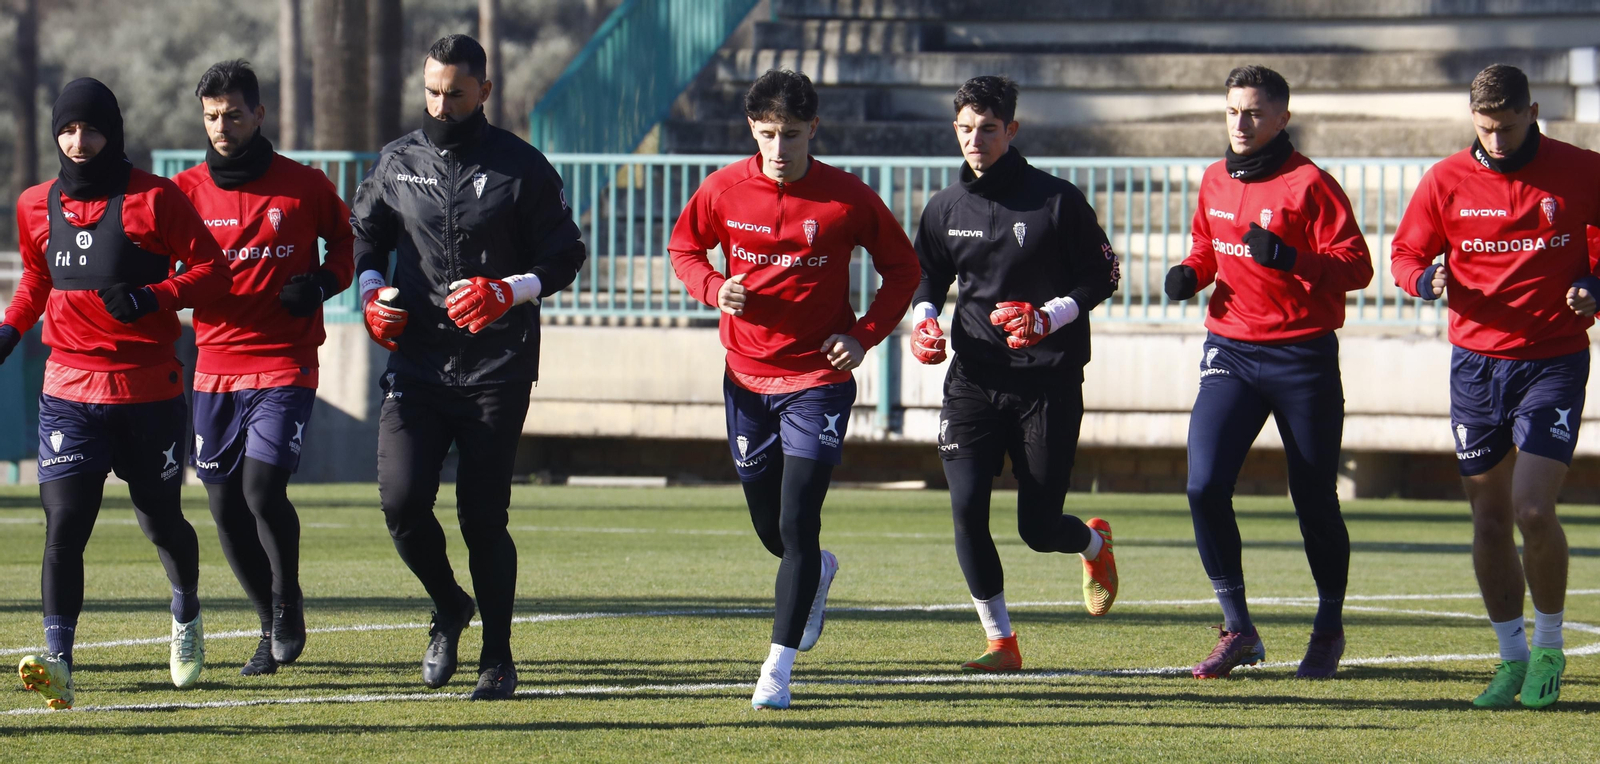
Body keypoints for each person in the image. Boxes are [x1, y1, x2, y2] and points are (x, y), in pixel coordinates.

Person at [669, 69, 919, 710]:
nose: (780, 149)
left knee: (798, 519)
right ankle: (818, 573)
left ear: (815, 129)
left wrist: (863, 336)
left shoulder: (846, 198)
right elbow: (685, 247)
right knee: (770, 525)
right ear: (752, 130)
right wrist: (710, 287)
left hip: (819, 380)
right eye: (768, 134)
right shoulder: (724, 188)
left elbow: (903, 269)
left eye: (792, 134)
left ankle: (776, 670)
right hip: (746, 377)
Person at [349, 34, 586, 701]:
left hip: (497, 367)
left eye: (455, 93)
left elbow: (566, 255)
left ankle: (498, 657)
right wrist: (370, 297)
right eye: (431, 91)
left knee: (483, 516)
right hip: (417, 365)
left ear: (484, 90)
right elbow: (364, 241)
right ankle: (449, 604)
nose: (441, 104)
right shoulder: (397, 162)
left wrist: (509, 290)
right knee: (400, 505)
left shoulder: (522, 166)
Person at [8, 78, 231, 710]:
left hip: (145, 392)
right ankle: (59, 663)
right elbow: (35, 278)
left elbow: (213, 271)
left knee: (160, 521)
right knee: (64, 525)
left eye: (93, 129)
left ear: (115, 131)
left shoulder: (155, 199)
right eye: (69, 129)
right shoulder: (33, 204)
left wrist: (150, 296)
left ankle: (185, 614)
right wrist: (10, 326)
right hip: (67, 392)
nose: (80, 142)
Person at [1391, 63, 1600, 709]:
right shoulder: (1446, 179)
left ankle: (1548, 647)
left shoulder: (1582, 170)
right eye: (1486, 129)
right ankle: (1509, 659)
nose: (1498, 142)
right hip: (1475, 366)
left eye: (1508, 127)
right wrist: (1423, 281)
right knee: (1488, 518)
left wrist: (1595, 285)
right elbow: (1404, 255)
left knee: (1533, 510)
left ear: (1533, 111)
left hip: (1552, 360)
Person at [1164, 65, 1372, 680]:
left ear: (1282, 117)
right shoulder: (1212, 178)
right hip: (1230, 349)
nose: (1241, 123)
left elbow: (1356, 266)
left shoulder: (1311, 183)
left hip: (1301, 356)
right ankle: (1238, 630)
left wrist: (1291, 259)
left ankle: (1328, 628)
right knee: (1203, 487)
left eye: (1254, 112)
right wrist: (1191, 272)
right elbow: (1209, 245)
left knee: (1312, 498)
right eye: (1232, 111)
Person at [910, 75, 1122, 674]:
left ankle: (1094, 544)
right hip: (973, 377)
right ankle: (1002, 643)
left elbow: (1104, 276)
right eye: (965, 128)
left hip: (1047, 383)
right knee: (967, 510)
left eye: (988, 128)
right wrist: (925, 319)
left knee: (1037, 526)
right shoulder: (945, 207)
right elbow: (927, 275)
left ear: (1012, 130)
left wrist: (1047, 317)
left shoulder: (1057, 199)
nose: (975, 139)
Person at [174, 60, 355, 676]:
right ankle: (266, 621)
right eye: (211, 116)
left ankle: (287, 602)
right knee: (223, 506)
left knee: (260, 490)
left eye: (232, 114)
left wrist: (325, 283)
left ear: (259, 113)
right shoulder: (184, 191)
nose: (221, 126)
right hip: (213, 366)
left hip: (284, 362)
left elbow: (350, 243)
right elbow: (151, 259)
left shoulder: (304, 185)